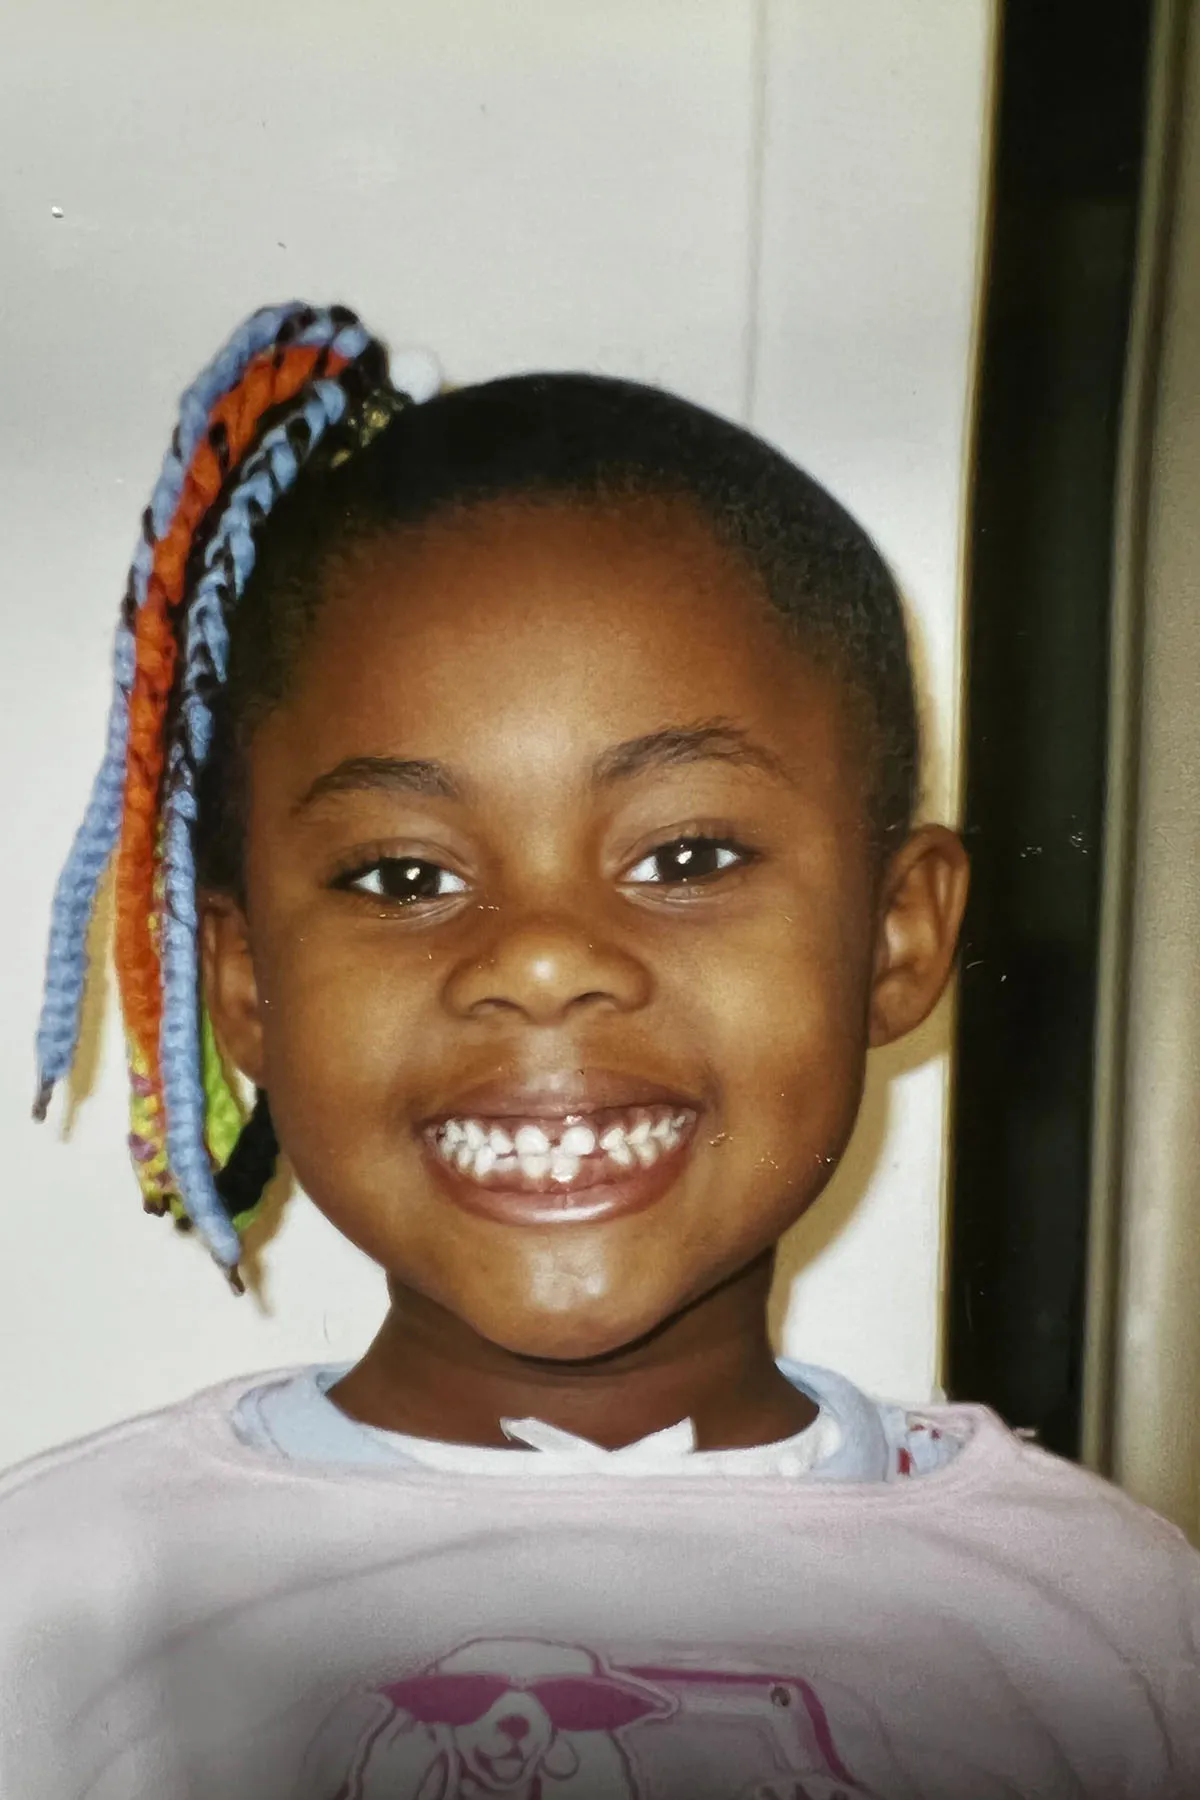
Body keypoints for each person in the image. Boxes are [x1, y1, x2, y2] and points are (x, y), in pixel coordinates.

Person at [4, 300, 1197, 1800]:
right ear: (245, 989)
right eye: (403, 877)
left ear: (897, 937)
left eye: (687, 856)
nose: (541, 959)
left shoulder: (1112, 1622)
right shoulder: (59, 1605)